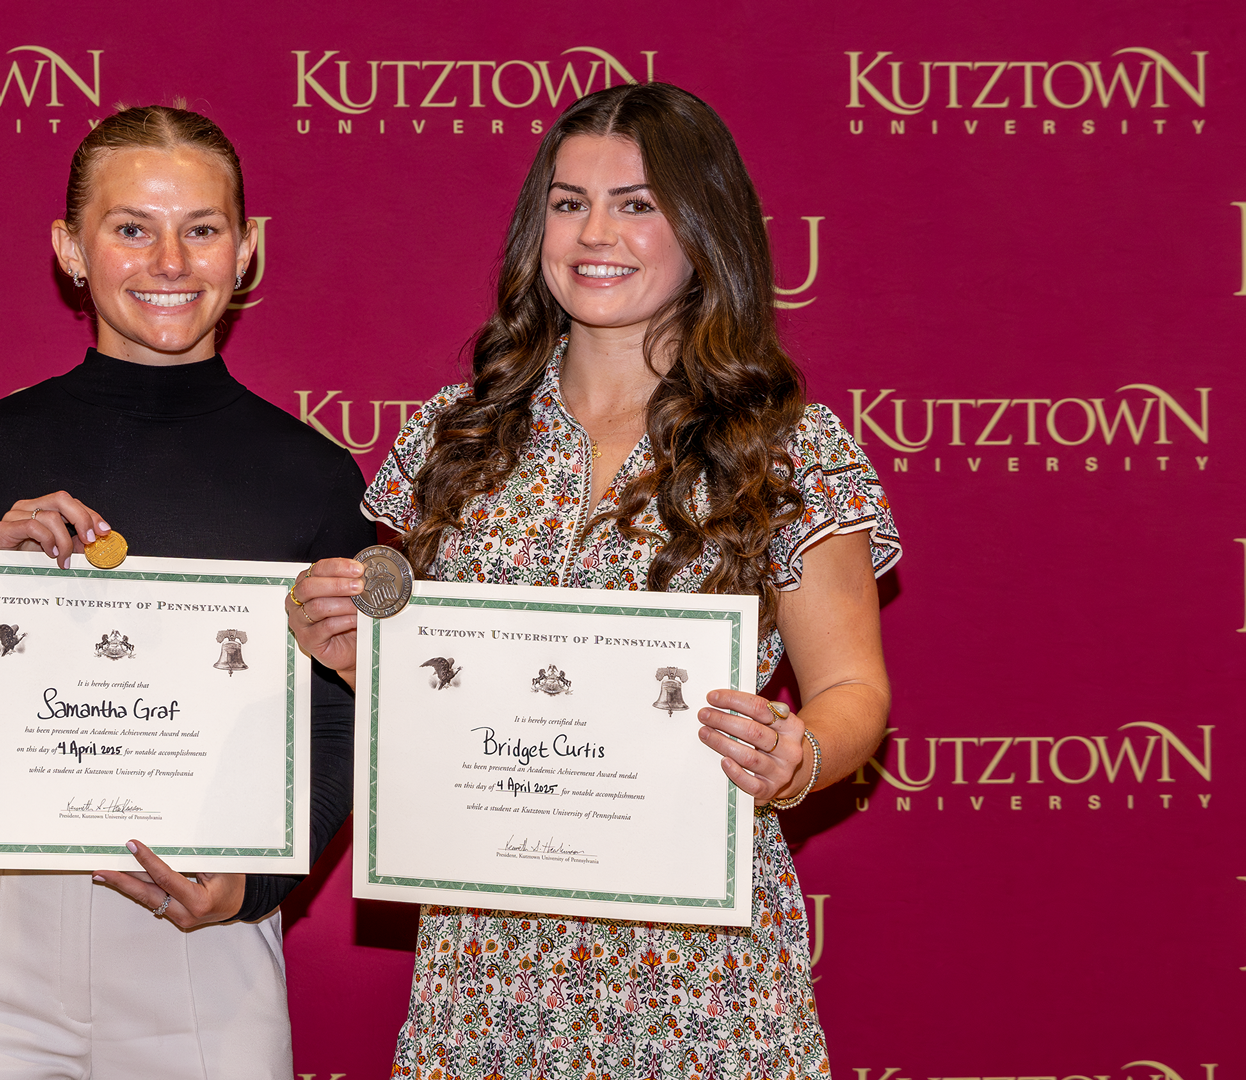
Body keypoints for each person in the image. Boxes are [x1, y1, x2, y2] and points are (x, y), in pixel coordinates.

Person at [287, 83, 901, 1079]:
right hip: (488, 963)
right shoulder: (455, 437)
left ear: (707, 229)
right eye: (569, 202)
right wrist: (358, 659)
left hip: (699, 970)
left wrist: (801, 755)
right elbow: (437, 689)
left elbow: (855, 690)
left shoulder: (789, 449)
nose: (594, 233)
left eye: (638, 203)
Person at [0, 104, 372, 1079]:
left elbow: (334, 725)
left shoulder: (315, 478)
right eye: (132, 227)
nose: (169, 260)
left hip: (200, 957)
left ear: (246, 250)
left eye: (201, 228)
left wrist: (257, 883)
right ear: (70, 250)